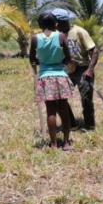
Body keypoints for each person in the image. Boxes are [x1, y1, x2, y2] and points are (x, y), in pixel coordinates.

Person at [29, 12, 74, 150]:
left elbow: (32, 59)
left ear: (40, 25)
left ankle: (53, 143)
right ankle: (66, 143)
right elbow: (68, 57)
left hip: (45, 77)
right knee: (64, 109)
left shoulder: (35, 39)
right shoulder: (60, 36)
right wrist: (60, 61)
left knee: (50, 111)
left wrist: (41, 61)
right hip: (60, 75)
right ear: (55, 24)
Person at [51, 8, 99, 130]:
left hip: (83, 69)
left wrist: (90, 70)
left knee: (86, 99)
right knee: (58, 97)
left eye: (54, 22)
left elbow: (94, 51)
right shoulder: (56, 35)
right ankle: (71, 124)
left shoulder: (79, 31)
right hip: (66, 70)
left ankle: (90, 126)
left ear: (60, 22)